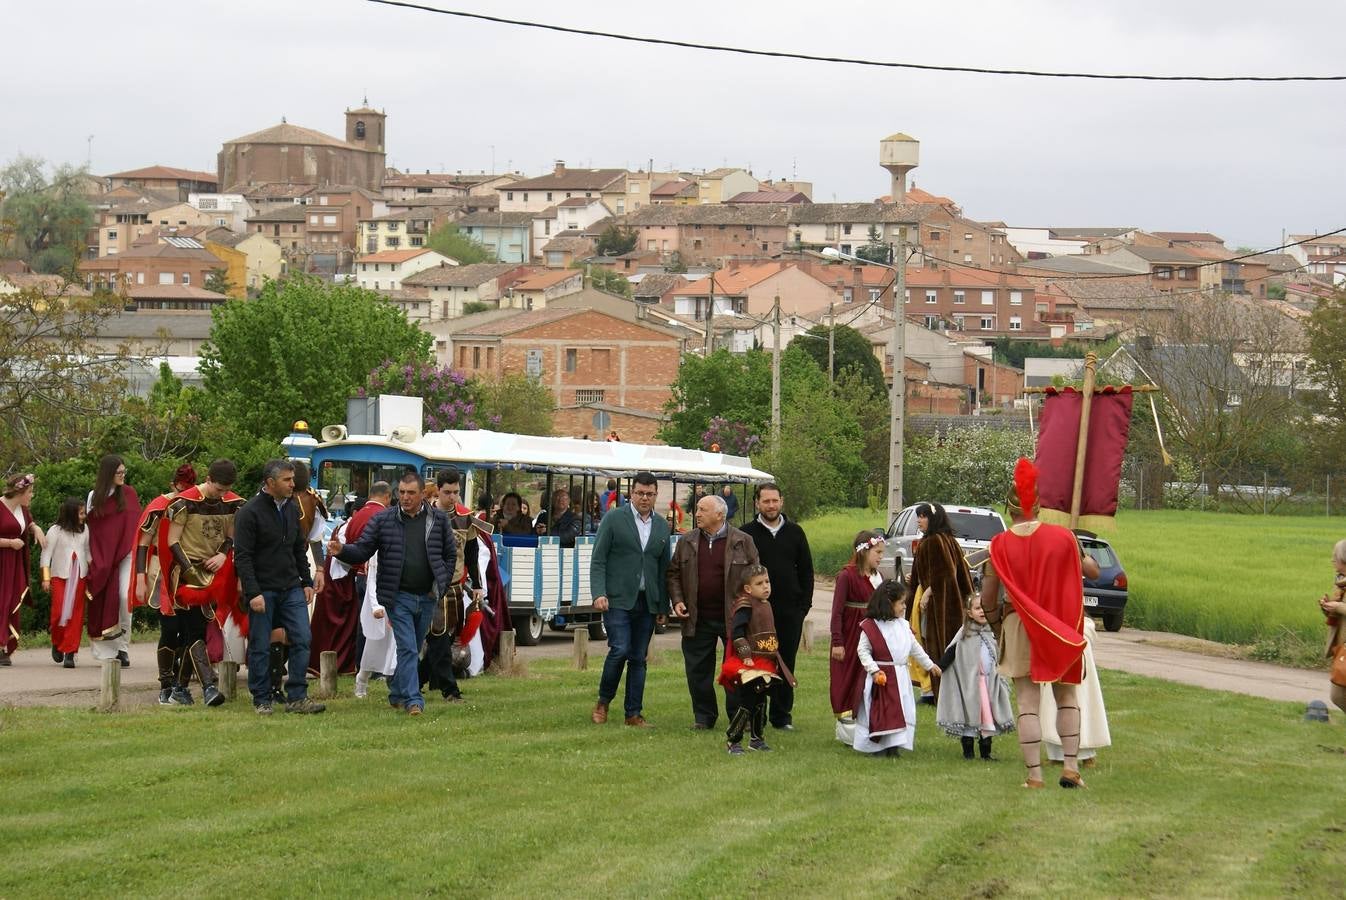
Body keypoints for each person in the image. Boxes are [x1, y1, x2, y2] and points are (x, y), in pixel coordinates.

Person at [976, 458, 1088, 789]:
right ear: (1038, 505)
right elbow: (1078, 579)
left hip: (1018, 625)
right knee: (1067, 697)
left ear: (1008, 509)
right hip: (1058, 626)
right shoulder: (1064, 537)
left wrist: (996, 625)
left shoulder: (998, 546)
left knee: (1027, 703)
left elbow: (987, 597)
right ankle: (1070, 767)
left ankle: (1035, 776)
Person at [330, 470, 457, 716]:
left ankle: (397, 691)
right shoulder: (383, 520)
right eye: (401, 492)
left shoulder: (438, 520)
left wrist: (441, 580)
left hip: (428, 596)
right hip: (399, 596)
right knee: (408, 647)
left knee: (415, 645)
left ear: (422, 494)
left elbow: (449, 554)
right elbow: (363, 550)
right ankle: (413, 700)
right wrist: (343, 551)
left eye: (411, 493)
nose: (405, 497)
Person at [233, 459, 324, 715]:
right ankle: (261, 698)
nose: (292, 484)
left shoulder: (292, 509)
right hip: (264, 589)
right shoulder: (249, 512)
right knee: (261, 645)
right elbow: (243, 556)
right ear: (270, 483)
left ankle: (297, 696)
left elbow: (298, 547)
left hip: (291, 587)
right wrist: (253, 592)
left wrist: (305, 581)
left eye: (293, 479)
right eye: (287, 480)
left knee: (302, 638)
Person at [667, 493, 760, 730]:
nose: (696, 514)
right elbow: (674, 573)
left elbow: (756, 577)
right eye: (696, 509)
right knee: (697, 671)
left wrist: (749, 610)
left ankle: (740, 718)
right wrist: (677, 600)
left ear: (719, 514)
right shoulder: (686, 541)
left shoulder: (743, 541)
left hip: (734, 618)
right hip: (697, 618)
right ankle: (703, 717)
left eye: (701, 510)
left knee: (736, 670)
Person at [591, 471, 670, 728]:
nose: (644, 498)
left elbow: (663, 568)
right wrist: (599, 593)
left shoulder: (661, 525)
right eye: (639, 493)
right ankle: (603, 701)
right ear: (631, 494)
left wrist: (662, 605)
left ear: (656, 495)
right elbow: (599, 559)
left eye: (649, 494)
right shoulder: (614, 519)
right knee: (620, 649)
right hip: (617, 599)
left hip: (647, 602)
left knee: (638, 657)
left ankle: (633, 713)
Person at [163, 459, 245, 707]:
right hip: (185, 572)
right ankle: (209, 686)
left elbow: (230, 536)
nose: (222, 495)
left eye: (225, 490)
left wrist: (222, 554)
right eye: (218, 489)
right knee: (196, 627)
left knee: (195, 630)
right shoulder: (183, 502)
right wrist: (190, 571)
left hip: (214, 572)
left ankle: (179, 688)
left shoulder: (232, 504)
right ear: (208, 480)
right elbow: (172, 541)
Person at [741, 482, 814, 732]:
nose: (771, 505)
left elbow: (806, 571)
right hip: (758, 614)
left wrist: (803, 605)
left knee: (786, 663)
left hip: (789, 612)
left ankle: (781, 716)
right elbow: (739, 574)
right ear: (756, 503)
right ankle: (754, 713)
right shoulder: (746, 534)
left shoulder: (796, 532)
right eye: (766, 501)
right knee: (759, 663)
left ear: (781, 501)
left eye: (775, 500)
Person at [847, 580, 940, 756]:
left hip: (901, 677)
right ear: (889, 603)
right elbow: (863, 651)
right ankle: (878, 747)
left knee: (901, 710)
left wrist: (930, 664)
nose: (904, 607)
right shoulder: (871, 626)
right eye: (902, 603)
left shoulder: (903, 625)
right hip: (882, 677)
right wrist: (874, 670)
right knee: (881, 712)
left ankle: (893, 747)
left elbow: (915, 648)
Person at [135, 464, 198, 704]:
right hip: (161, 570)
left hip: (190, 571)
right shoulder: (160, 505)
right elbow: (143, 542)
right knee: (170, 629)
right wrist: (140, 577)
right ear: (174, 485)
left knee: (189, 630)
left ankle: (181, 685)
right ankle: (166, 683)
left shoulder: (197, 504)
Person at [718, 565, 796, 754]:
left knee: (761, 701)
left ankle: (757, 739)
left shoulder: (766, 604)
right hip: (750, 663)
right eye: (759, 583)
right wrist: (745, 656)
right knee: (747, 702)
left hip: (766, 662)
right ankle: (733, 740)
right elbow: (737, 633)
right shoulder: (745, 605)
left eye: (767, 582)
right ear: (748, 589)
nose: (766, 586)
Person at [904, 502, 973, 703]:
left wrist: (927, 593)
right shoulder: (940, 539)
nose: (919, 520)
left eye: (923, 516)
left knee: (931, 642)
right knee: (927, 642)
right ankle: (931, 690)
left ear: (934, 518)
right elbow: (934, 569)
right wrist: (915, 578)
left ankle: (935, 691)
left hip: (938, 603)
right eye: (919, 516)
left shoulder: (936, 540)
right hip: (939, 599)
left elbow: (946, 573)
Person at [934, 591, 1016, 761]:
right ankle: (968, 752)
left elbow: (1000, 654)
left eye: (984, 608)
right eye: (978, 608)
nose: (982, 612)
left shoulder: (992, 633)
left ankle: (986, 752)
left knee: (987, 716)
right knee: (970, 715)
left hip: (988, 684)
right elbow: (952, 651)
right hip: (969, 685)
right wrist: (939, 667)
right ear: (969, 612)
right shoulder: (965, 633)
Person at [85, 455, 141, 667]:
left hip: (126, 554)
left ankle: (123, 647)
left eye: (124, 472)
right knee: (100, 598)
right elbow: (92, 528)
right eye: (119, 473)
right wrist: (92, 557)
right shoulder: (94, 496)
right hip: (102, 557)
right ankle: (105, 650)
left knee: (124, 597)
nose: (122, 476)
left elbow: (135, 524)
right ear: (108, 473)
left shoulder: (129, 493)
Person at [829, 530, 885, 720]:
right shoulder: (847, 576)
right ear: (864, 551)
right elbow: (837, 612)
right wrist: (838, 642)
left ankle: (866, 717)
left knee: (867, 673)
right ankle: (846, 720)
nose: (881, 557)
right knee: (847, 676)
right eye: (877, 552)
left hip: (871, 633)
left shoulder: (879, 577)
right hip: (851, 632)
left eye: (882, 553)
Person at [41, 497, 91, 668]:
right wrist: (46, 578)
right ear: (71, 514)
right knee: (59, 612)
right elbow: (46, 555)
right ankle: (57, 641)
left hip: (80, 577)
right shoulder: (55, 531)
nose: (84, 516)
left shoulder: (85, 530)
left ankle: (70, 652)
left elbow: (87, 552)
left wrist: (95, 572)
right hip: (60, 576)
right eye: (81, 513)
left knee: (75, 616)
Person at [0, 473, 42, 665]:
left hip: (15, 563)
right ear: (20, 492)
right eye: (30, 492)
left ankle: (5, 647)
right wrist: (9, 543)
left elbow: (28, 523)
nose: (32, 495)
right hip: (2, 560)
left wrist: (36, 529)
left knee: (11, 601)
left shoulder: (23, 509)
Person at [1318, 538, 1346, 715]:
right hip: (1342, 646)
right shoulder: (1341, 583)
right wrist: (1329, 608)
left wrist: (1339, 607)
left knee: (1337, 694)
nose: (1332, 560)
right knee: (1338, 693)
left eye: (1334, 556)